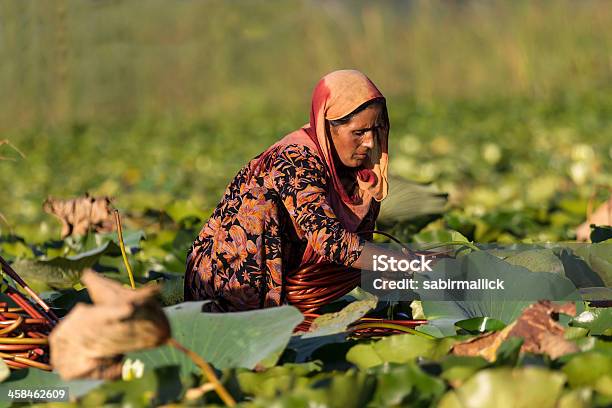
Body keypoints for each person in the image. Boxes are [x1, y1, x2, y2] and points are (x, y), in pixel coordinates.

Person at [185, 69, 402, 312]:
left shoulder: (363, 174)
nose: (370, 142)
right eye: (359, 133)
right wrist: (409, 263)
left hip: (295, 282)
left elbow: (360, 252)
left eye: (376, 130)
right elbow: (331, 241)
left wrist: (420, 281)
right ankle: (253, 316)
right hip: (227, 284)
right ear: (327, 127)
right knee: (259, 203)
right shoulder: (296, 158)